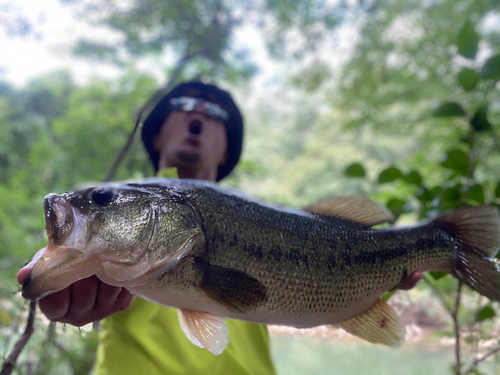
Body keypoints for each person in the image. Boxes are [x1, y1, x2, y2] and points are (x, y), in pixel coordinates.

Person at [17, 81, 423, 374]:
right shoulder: (106, 215)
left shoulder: (266, 216)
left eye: (214, 112)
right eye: (186, 102)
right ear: (157, 132)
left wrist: (359, 286)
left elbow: (295, 294)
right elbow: (56, 272)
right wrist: (72, 298)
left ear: (227, 144)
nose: (198, 113)